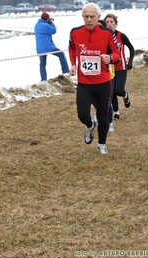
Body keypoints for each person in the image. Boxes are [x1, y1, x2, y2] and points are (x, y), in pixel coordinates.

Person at [68, 3, 120, 154]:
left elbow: (117, 53)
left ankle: (102, 144)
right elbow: (71, 47)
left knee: (104, 117)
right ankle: (90, 125)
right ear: (82, 17)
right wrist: (73, 63)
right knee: (83, 114)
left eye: (92, 16)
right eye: (86, 16)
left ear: (98, 17)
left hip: (103, 83)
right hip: (84, 83)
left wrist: (109, 58)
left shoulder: (107, 33)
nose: (89, 19)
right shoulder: (75, 32)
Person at [104, 13, 134, 120]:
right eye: (107, 22)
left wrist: (130, 62)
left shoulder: (121, 36)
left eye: (111, 22)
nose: (109, 24)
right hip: (110, 69)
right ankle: (116, 112)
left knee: (118, 90)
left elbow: (131, 48)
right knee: (111, 93)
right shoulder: (104, 37)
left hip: (121, 67)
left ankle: (125, 95)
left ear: (116, 24)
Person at [34, 12, 69, 82]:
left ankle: (43, 80)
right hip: (48, 47)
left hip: (40, 48)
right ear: (46, 19)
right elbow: (53, 30)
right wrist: (51, 22)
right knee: (61, 54)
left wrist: (48, 22)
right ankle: (66, 72)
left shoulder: (37, 25)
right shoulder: (45, 25)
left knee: (42, 64)